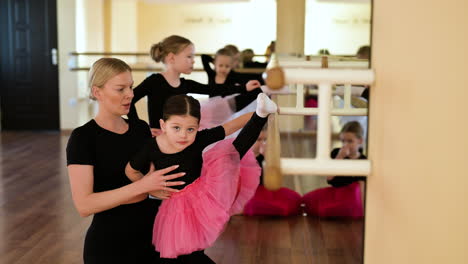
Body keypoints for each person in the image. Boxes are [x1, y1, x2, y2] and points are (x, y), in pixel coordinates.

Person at [125, 93, 278, 262]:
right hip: (171, 207)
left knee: (233, 153)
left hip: (199, 198)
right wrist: (149, 187)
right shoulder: (151, 147)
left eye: (190, 129)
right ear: (163, 125)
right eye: (176, 128)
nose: (183, 135)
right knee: (176, 251)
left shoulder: (198, 139)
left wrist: (258, 114)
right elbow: (131, 170)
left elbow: (230, 126)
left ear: (197, 127)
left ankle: (261, 114)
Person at [66, 58, 186, 263]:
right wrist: (142, 186)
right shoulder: (82, 138)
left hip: (152, 231)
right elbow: (84, 205)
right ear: (97, 92)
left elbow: (153, 181)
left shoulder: (140, 129)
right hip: (110, 243)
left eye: (130, 87)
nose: (130, 94)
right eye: (120, 89)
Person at [127, 35, 261, 137]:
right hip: (159, 140)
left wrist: (243, 88)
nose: (193, 61)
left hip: (179, 139)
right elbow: (130, 98)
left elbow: (213, 88)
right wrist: (139, 127)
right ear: (172, 58)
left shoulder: (185, 84)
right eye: (189, 57)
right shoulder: (154, 81)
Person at [301, 121, 367, 218]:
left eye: (350, 141)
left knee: (327, 209)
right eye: (343, 141)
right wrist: (340, 157)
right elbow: (329, 178)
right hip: (335, 194)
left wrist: (363, 211)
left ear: (360, 141)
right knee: (307, 200)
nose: (345, 144)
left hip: (350, 199)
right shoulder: (336, 153)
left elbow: (362, 188)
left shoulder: (363, 160)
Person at [243, 126, 302, 216]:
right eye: (259, 140)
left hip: (263, 189)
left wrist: (267, 157)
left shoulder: (264, 156)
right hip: (249, 193)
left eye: (265, 140)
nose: (263, 143)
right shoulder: (243, 157)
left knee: (294, 198)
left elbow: (273, 178)